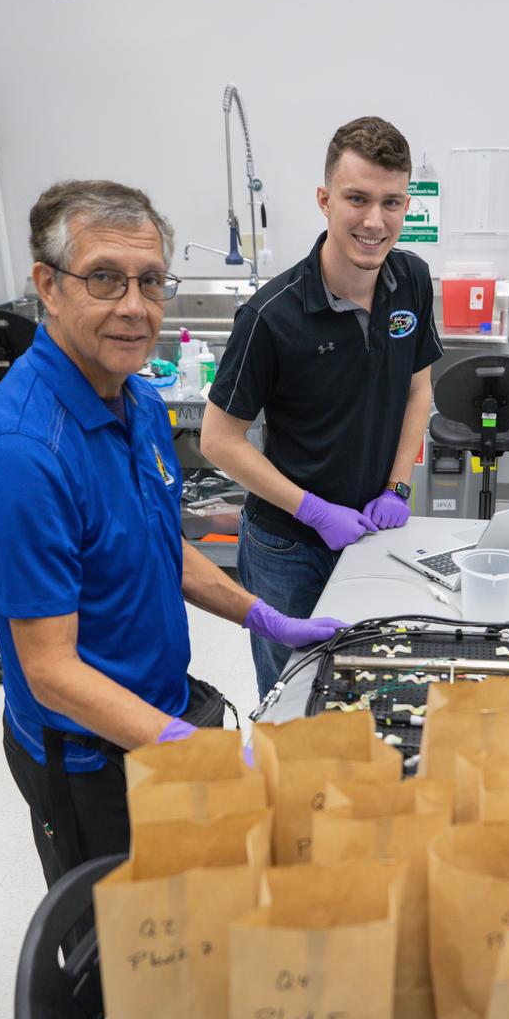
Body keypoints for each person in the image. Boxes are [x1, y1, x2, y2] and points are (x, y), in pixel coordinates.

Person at [0, 179, 342, 887]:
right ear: (48, 285)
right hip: (87, 758)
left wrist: (269, 619)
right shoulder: (24, 455)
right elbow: (49, 669)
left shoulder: (132, 394)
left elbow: (162, 548)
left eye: (150, 281)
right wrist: (186, 748)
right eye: (104, 278)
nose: (135, 307)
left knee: (186, 916)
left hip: (156, 709)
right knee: (122, 963)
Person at [201, 116, 443, 698]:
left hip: (370, 535)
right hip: (288, 546)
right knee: (294, 692)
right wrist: (312, 510)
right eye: (357, 199)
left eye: (392, 202)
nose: (374, 221)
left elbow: (419, 390)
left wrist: (398, 486)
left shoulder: (411, 278)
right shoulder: (271, 316)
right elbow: (218, 440)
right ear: (324, 200)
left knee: (370, 682)